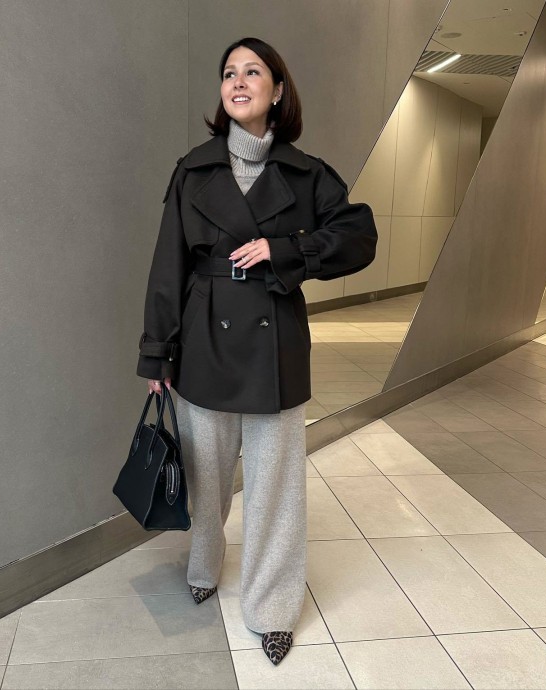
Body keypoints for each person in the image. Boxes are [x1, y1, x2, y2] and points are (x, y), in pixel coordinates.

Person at [137, 36, 377, 665]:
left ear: (277, 90)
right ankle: (204, 563)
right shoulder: (193, 170)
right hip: (204, 338)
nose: (238, 81)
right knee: (207, 478)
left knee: (276, 491)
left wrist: (287, 250)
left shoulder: (307, 173)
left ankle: (272, 608)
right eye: (228, 73)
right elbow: (167, 266)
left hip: (276, 342)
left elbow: (359, 237)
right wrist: (158, 352)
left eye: (252, 72)